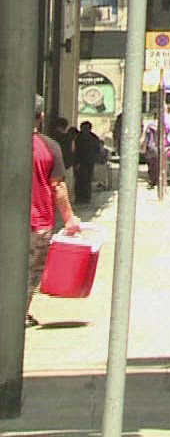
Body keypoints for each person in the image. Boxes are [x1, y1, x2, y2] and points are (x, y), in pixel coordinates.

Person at [26, 96, 84, 326]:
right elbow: (58, 186)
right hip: (38, 223)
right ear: (41, 117)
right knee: (30, 272)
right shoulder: (49, 146)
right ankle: (20, 312)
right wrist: (69, 218)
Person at [72, 121, 105, 206]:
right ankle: (86, 198)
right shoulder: (94, 137)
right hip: (89, 162)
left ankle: (80, 198)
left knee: (79, 181)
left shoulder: (79, 137)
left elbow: (77, 151)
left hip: (81, 162)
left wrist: (76, 162)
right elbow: (98, 150)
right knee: (87, 180)